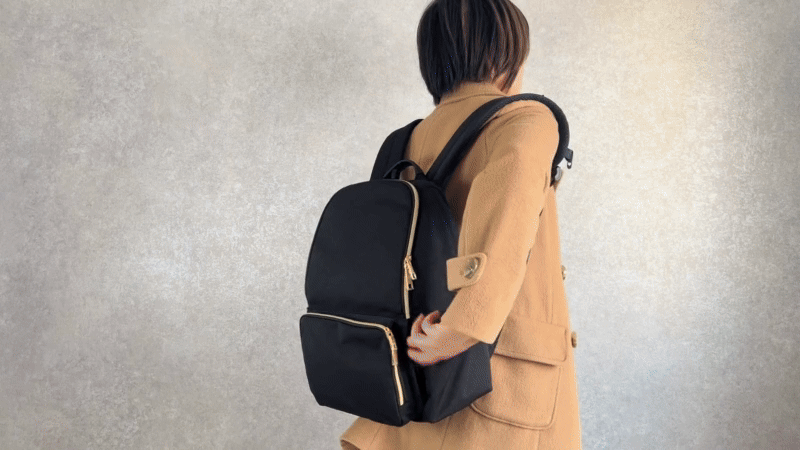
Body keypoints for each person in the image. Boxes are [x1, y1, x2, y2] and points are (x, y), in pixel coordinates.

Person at [340, 0, 582, 448]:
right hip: (495, 382)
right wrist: (463, 326)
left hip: (418, 380)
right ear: (508, 53)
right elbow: (507, 217)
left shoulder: (408, 141)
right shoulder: (524, 119)